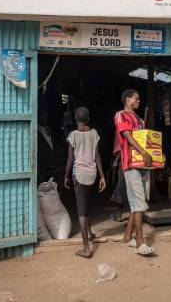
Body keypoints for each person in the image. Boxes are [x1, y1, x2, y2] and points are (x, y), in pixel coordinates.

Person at [114, 89, 156, 256]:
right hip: (130, 165)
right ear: (127, 99)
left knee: (136, 203)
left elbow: (145, 140)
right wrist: (145, 153)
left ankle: (126, 237)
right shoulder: (120, 115)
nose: (139, 101)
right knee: (139, 203)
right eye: (136, 98)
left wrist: (155, 154)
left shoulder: (140, 120)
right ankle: (140, 242)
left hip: (142, 166)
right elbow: (128, 136)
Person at [64, 107, 106, 259]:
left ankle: (86, 249)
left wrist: (66, 176)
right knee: (87, 205)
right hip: (92, 174)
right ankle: (89, 233)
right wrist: (102, 177)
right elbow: (98, 157)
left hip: (79, 175)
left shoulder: (73, 135)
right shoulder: (94, 134)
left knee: (81, 212)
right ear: (88, 118)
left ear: (76, 118)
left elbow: (70, 159)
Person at [37, 111, 56, 184]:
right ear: (39, 117)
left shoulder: (47, 129)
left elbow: (51, 144)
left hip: (50, 163)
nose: (45, 119)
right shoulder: (37, 129)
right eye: (43, 117)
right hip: (42, 163)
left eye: (46, 117)